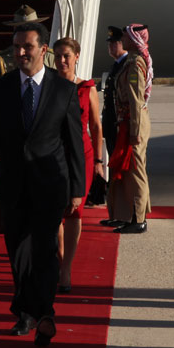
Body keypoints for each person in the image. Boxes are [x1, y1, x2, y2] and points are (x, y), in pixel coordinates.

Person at [0, 22, 85, 347]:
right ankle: (26, 311)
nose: (20, 52)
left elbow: (73, 143)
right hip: (13, 184)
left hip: (50, 183)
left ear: (43, 50)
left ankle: (43, 313)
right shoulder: (1, 88)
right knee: (18, 252)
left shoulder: (63, 90)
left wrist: (77, 189)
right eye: (17, 47)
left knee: (46, 250)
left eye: (28, 47)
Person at [52, 37, 103, 292]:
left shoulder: (86, 88)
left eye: (67, 56)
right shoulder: (48, 86)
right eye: (58, 56)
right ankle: (60, 258)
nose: (62, 61)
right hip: (53, 155)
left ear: (77, 57)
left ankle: (66, 268)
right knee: (55, 211)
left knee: (75, 211)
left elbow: (96, 126)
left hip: (82, 156)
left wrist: (99, 161)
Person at [105, 24, 153, 234]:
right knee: (129, 170)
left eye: (125, 37)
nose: (122, 40)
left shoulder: (134, 64)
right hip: (128, 120)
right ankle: (129, 215)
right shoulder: (131, 62)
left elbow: (136, 100)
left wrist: (134, 131)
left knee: (136, 170)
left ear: (134, 40)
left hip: (134, 121)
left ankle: (139, 219)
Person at [0, 5, 55, 76]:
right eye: (20, 28)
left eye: (30, 28)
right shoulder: (2, 60)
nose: (21, 53)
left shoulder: (53, 58)